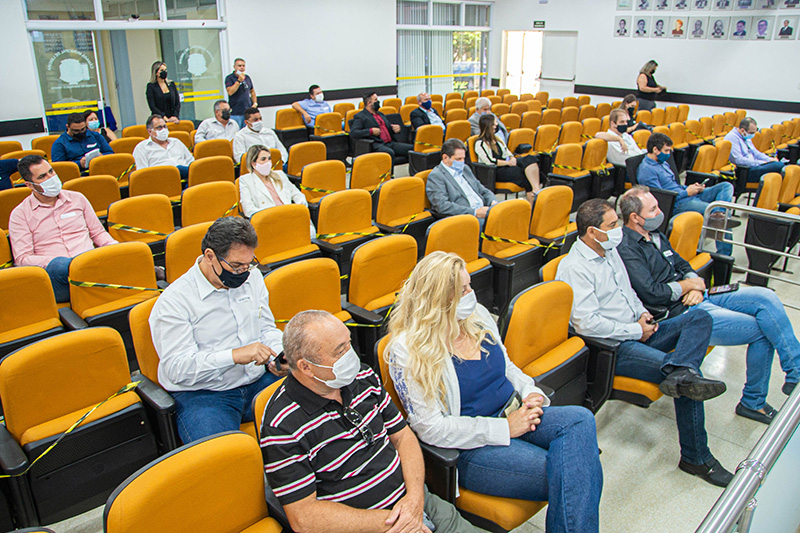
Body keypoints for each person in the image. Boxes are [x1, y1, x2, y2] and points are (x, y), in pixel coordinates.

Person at [386, 252, 603, 532]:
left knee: (581, 419)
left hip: (516, 412)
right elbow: (430, 428)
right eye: (463, 289)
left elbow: (507, 365)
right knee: (577, 470)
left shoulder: (475, 315)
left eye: (470, 285)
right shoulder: (407, 350)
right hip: (474, 446)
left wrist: (529, 391)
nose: (471, 292)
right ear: (439, 299)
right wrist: (504, 428)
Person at [556, 199, 733, 487]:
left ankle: (682, 369)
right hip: (615, 347)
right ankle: (696, 457)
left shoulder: (610, 251)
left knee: (699, 319)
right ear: (592, 231)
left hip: (641, 328)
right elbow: (586, 324)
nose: (619, 230)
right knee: (687, 383)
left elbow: (629, 292)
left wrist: (642, 314)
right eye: (612, 225)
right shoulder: (575, 267)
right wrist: (635, 330)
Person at [260, 310, 485, 533]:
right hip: (368, 527)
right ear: (305, 367)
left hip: (416, 502)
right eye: (340, 351)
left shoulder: (362, 376)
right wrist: (396, 521)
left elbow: (403, 436)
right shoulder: (281, 425)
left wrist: (414, 500)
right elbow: (304, 518)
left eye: (349, 343)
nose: (351, 355)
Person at [618, 186, 800, 425]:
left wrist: (694, 285)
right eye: (653, 209)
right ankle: (752, 402)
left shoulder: (655, 235)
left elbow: (682, 264)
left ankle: (795, 370)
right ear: (635, 217)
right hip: (681, 313)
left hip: (696, 295)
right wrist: (688, 286)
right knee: (761, 330)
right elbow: (653, 293)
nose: (660, 212)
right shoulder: (627, 247)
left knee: (765, 297)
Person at [150, 217, 286, 443]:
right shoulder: (174, 301)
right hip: (206, 395)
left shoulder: (252, 278)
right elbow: (177, 368)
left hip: (258, 380)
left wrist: (280, 355)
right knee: (222, 457)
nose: (244, 272)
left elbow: (266, 328)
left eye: (249, 263)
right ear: (209, 256)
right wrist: (234, 356)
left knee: (321, 404)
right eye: (236, 266)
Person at [8, 155, 118, 302]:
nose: (51, 178)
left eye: (51, 172)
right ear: (30, 185)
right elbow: (23, 259)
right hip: (58, 274)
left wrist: (116, 249)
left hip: (90, 263)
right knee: (63, 265)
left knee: (125, 253)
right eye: (42, 177)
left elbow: (97, 233)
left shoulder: (77, 198)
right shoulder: (20, 214)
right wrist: (59, 262)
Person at [635, 133, 736, 255]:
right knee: (724, 221)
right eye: (666, 150)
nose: (668, 154)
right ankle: (724, 255)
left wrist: (691, 188)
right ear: (655, 149)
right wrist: (686, 193)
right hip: (677, 203)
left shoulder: (663, 163)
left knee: (725, 186)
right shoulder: (646, 170)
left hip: (686, 195)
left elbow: (675, 185)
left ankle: (718, 214)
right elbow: (661, 197)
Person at [238, 145, 314, 237]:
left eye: (269, 159)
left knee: (310, 232)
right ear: (253, 164)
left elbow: (296, 193)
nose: (268, 162)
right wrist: (272, 215)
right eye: (263, 159)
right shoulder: (245, 180)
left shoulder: (280, 174)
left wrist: (300, 204)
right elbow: (248, 209)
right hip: (270, 222)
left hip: (291, 215)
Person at [474, 113, 541, 201]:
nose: (496, 125)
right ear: (488, 126)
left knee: (530, 158)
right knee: (523, 174)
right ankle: (533, 199)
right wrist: (508, 163)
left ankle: (536, 189)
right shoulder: (480, 143)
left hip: (506, 165)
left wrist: (512, 158)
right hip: (495, 170)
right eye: (494, 124)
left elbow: (507, 152)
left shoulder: (497, 139)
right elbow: (489, 161)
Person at [426, 139, 497, 221]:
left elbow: (482, 190)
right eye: (458, 159)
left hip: (484, 210)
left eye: (463, 158)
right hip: (467, 218)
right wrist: (474, 212)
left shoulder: (465, 169)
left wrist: (492, 202)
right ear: (445, 158)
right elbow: (442, 206)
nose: (462, 162)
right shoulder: (436, 176)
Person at [350, 91, 413, 161]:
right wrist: (371, 131)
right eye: (376, 100)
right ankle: (389, 172)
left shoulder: (380, 114)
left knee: (412, 149)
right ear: (369, 103)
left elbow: (388, 127)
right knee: (389, 153)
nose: (378, 102)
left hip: (390, 143)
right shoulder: (360, 116)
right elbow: (353, 133)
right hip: (377, 144)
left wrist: (394, 128)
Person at [724, 117, 785, 184]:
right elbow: (738, 160)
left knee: (779, 165)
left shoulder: (745, 136)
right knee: (778, 166)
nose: (753, 134)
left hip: (754, 165)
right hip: (745, 170)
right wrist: (761, 163)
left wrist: (769, 160)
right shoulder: (732, 137)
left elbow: (756, 153)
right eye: (752, 132)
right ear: (742, 130)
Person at [133, 114, 194, 181]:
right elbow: (142, 174)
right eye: (159, 127)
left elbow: (191, 161)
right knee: (178, 169)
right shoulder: (142, 148)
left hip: (185, 179)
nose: (163, 130)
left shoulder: (176, 142)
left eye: (165, 126)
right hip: (162, 180)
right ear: (150, 131)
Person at [225, 58, 257, 128]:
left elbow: (252, 91)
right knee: (236, 132)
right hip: (236, 113)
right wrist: (239, 81)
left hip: (247, 112)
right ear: (234, 67)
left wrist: (254, 103)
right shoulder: (230, 78)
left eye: (243, 66)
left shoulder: (247, 78)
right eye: (239, 66)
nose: (242, 67)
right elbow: (230, 92)